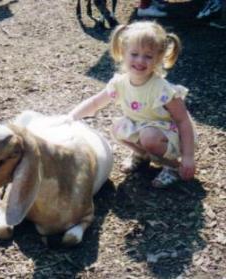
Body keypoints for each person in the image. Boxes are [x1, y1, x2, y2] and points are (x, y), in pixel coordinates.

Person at [68, 21, 197, 188]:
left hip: (168, 134)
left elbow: (183, 121)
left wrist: (188, 156)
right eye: (134, 54)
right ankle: (142, 155)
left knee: (148, 137)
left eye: (148, 56)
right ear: (123, 52)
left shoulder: (163, 90)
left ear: (158, 58)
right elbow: (94, 103)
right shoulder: (120, 83)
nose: (140, 61)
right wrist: (71, 116)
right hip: (143, 128)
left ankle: (172, 166)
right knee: (117, 128)